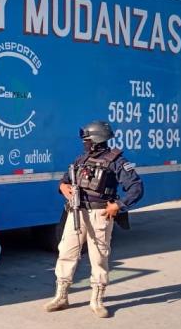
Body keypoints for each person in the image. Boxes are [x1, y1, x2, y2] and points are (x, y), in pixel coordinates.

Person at [45, 120, 143, 317]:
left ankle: (97, 299)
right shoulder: (80, 160)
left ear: (97, 140)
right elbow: (64, 181)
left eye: (87, 140)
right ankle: (61, 296)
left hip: (100, 214)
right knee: (66, 252)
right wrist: (63, 188)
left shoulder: (116, 161)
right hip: (76, 212)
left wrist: (118, 205)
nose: (85, 143)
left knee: (98, 257)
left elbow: (136, 188)